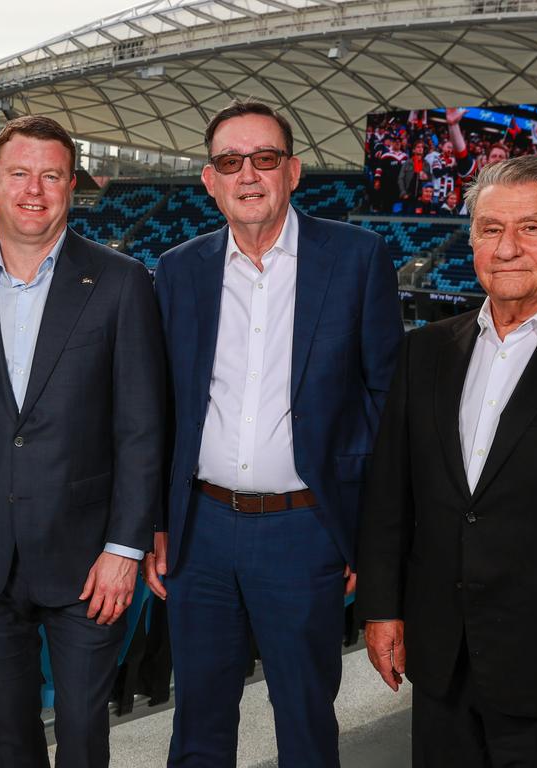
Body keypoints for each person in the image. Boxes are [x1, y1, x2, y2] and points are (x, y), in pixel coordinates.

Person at [145, 100, 403, 767]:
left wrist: (352, 523)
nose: (249, 175)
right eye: (231, 162)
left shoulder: (357, 259)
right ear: (210, 180)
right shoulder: (178, 269)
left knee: (305, 721)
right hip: (202, 531)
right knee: (197, 725)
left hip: (304, 529)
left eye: (264, 159)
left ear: (292, 171)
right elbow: (162, 407)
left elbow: (386, 400)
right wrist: (158, 521)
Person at [0, 115, 164, 768]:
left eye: (52, 176)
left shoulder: (121, 281)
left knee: (84, 733)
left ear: (72, 186)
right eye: (21, 174)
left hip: (89, 561)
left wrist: (124, 547)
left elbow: (142, 427)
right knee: (7, 735)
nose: (35, 190)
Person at [357, 154, 537, 766]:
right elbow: (391, 496)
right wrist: (382, 609)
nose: (508, 247)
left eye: (531, 227)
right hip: (445, 664)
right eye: (491, 229)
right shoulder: (426, 351)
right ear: (471, 242)